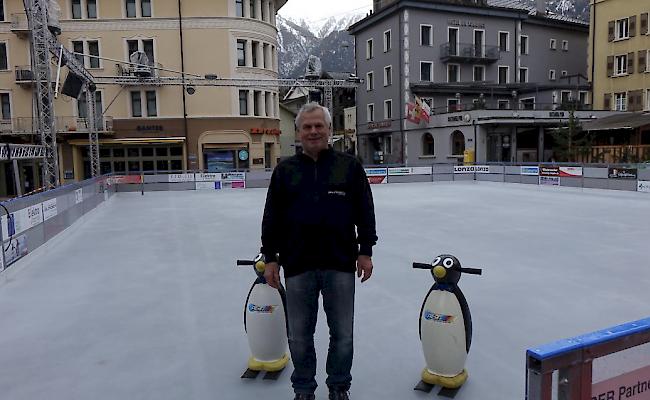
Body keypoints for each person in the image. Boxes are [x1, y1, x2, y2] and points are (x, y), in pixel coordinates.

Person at [261, 102, 377, 400]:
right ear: (298, 132)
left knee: (343, 335)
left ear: (328, 130)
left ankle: (338, 386)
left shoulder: (349, 166)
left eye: (319, 126)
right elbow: (272, 216)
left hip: (339, 263)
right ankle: (304, 389)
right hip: (297, 264)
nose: (313, 131)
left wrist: (365, 250)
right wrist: (270, 257)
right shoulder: (285, 171)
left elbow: (365, 211)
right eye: (307, 127)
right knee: (299, 336)